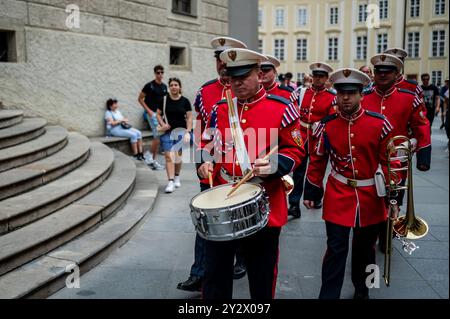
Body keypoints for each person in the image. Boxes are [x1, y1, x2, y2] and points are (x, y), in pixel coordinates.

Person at [197, 48, 305, 299]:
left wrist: (275, 165)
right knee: (215, 273)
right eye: (232, 77)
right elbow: (206, 144)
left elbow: (296, 149)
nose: (237, 82)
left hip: (263, 199)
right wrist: (205, 162)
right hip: (224, 197)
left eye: (243, 76)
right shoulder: (221, 108)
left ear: (259, 73)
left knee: (261, 273)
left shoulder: (282, 107)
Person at [303, 68, 396, 299]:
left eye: (352, 92)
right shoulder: (326, 125)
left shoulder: (380, 124)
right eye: (342, 92)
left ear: (362, 94)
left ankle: (365, 291)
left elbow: (389, 164)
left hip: (371, 196)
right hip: (338, 193)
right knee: (335, 249)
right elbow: (317, 160)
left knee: (367, 251)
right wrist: (313, 191)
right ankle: (328, 294)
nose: (346, 98)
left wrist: (393, 197)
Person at [177, 36, 247, 292]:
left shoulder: (246, 89)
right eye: (218, 59)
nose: (221, 64)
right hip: (212, 166)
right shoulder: (205, 91)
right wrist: (200, 160)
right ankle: (200, 272)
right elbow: (200, 129)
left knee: (238, 217)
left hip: (242, 168)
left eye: (227, 58)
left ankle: (241, 259)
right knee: (206, 219)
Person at [362, 53, 431, 252]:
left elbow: (422, 125)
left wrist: (417, 146)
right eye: (378, 72)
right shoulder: (364, 97)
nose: (382, 75)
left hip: (396, 159)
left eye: (387, 72)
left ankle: (386, 234)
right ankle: (369, 235)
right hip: (370, 158)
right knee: (370, 197)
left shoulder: (409, 98)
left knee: (392, 199)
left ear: (396, 73)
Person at [288, 62, 336, 219]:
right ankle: (294, 203)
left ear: (326, 78)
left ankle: (315, 196)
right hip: (301, 135)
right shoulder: (301, 92)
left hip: (318, 137)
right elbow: (291, 107)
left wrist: (322, 124)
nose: (318, 79)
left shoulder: (331, 97)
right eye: (316, 76)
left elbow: (333, 116)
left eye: (321, 76)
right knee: (298, 170)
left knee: (317, 168)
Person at [156, 78, 193, 193]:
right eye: (171, 85)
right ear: (169, 87)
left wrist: (188, 131)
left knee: (178, 157)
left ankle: (176, 176)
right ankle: (170, 181)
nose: (173, 87)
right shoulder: (164, 100)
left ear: (180, 87)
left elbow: (190, 117)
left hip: (181, 132)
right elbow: (157, 114)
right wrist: (163, 124)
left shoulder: (185, 101)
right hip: (167, 133)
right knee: (169, 156)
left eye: (176, 85)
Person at [138, 64, 167, 170]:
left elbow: (164, 102)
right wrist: (148, 111)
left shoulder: (164, 87)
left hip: (160, 115)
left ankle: (151, 158)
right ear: (155, 73)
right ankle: (150, 157)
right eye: (158, 73)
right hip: (151, 114)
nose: (160, 74)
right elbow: (140, 98)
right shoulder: (149, 85)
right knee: (157, 136)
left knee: (158, 137)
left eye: (162, 72)